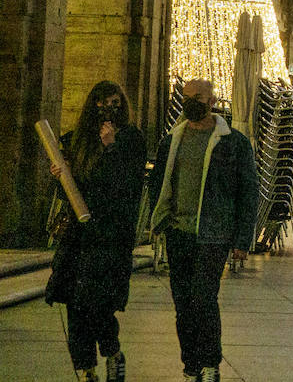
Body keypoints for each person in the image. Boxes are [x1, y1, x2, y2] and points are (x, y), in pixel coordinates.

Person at [148, 79, 258, 382]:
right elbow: (159, 183)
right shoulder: (172, 140)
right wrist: (158, 220)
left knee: (204, 299)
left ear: (212, 101)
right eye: (186, 97)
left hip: (214, 233)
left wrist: (242, 239)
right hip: (179, 232)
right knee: (183, 304)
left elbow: (248, 191)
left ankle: (210, 364)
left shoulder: (233, 142)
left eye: (197, 97)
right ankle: (191, 365)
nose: (190, 102)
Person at [44, 82, 145, 382]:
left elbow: (127, 185)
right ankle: (86, 369)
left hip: (110, 236)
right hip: (79, 236)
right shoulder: (79, 140)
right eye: (101, 103)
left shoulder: (130, 139)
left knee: (98, 303)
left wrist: (111, 147)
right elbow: (72, 191)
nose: (107, 109)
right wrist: (60, 177)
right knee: (75, 304)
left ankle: (113, 353)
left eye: (114, 103)